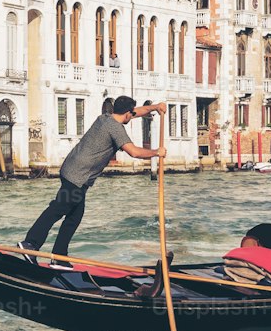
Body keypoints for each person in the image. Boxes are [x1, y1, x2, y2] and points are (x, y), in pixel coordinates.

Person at [20, 95, 166, 257]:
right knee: (58, 209)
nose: (132, 116)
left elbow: (135, 112)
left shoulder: (104, 118)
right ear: (126, 113)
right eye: (130, 114)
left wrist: (155, 107)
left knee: (74, 216)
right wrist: (156, 152)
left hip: (72, 170)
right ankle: (30, 244)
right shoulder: (116, 128)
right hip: (78, 175)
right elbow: (134, 152)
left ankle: (59, 255)